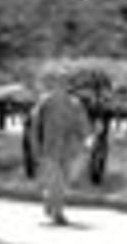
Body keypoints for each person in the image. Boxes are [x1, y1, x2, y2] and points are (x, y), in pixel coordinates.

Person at [29, 83, 93, 225]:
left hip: (69, 148)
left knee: (63, 181)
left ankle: (49, 199)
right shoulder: (45, 101)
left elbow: (83, 124)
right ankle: (58, 213)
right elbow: (35, 124)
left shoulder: (75, 103)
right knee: (56, 180)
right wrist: (35, 145)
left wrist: (86, 140)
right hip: (49, 148)